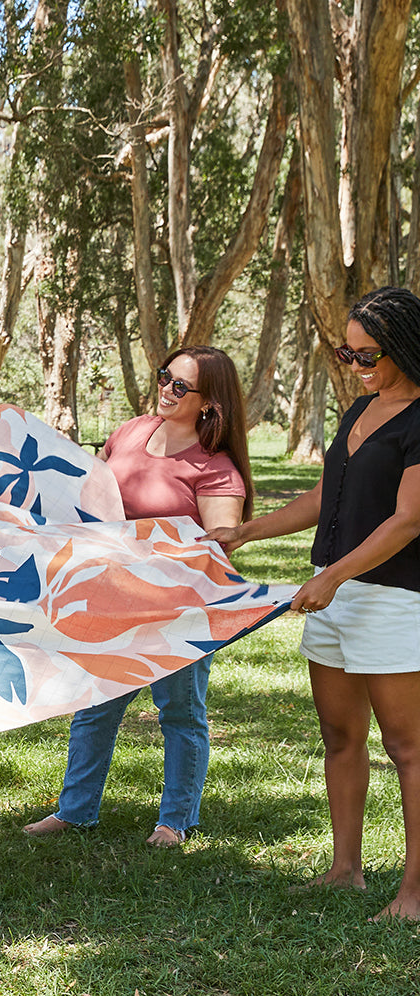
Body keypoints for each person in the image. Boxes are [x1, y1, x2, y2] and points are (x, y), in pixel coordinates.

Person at [207, 287, 420, 921]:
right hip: (337, 593)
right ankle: (346, 870)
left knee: (407, 747)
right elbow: (326, 495)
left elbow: (409, 519)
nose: (355, 366)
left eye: (367, 354)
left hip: (394, 598)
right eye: (346, 353)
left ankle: (414, 891)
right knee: (339, 735)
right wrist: (249, 530)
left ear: (406, 347)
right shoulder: (361, 412)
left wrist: (333, 578)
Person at [25, 346, 253, 847]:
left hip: (176, 609)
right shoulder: (132, 431)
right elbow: (88, 491)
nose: (166, 390)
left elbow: (220, 544)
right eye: (164, 377)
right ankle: (75, 810)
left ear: (209, 403)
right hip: (108, 595)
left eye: (180, 386)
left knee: (180, 713)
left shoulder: (214, 468)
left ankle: (175, 820)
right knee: (95, 706)